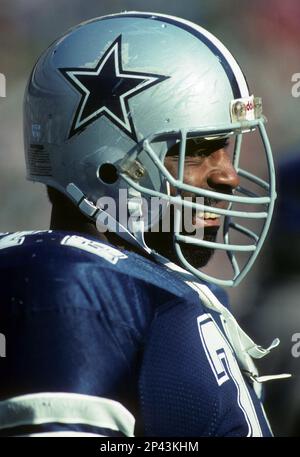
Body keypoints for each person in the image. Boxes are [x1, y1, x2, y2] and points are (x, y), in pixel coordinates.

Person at [0, 11, 284, 437]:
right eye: (197, 149)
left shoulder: (156, 291)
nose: (229, 176)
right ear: (107, 167)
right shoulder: (73, 291)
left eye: (226, 146)